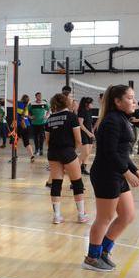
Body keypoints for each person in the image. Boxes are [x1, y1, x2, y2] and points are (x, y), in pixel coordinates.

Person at [84, 85, 139, 272]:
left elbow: (122, 152)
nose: (134, 101)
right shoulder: (111, 121)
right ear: (117, 101)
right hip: (106, 173)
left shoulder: (122, 119)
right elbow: (109, 152)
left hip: (117, 171)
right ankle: (92, 258)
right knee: (105, 218)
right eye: (130, 98)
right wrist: (127, 172)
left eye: (134, 97)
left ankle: (103, 251)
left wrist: (134, 169)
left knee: (127, 215)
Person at [46, 93, 87, 224]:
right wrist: (72, 151)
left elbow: (47, 141)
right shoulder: (71, 116)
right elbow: (78, 140)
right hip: (67, 151)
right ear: (66, 103)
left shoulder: (50, 119)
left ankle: (57, 216)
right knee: (77, 183)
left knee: (56, 184)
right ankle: (81, 215)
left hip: (52, 153)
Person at [77, 97, 95, 175]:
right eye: (91, 103)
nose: (92, 104)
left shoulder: (90, 111)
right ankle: (74, 166)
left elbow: (90, 124)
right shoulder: (81, 111)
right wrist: (88, 133)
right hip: (83, 133)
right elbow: (80, 124)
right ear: (86, 104)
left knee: (88, 153)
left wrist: (92, 132)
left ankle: (83, 168)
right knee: (85, 152)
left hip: (89, 133)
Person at [14, 94, 35, 162]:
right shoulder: (27, 106)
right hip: (27, 126)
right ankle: (32, 156)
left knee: (15, 141)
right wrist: (30, 117)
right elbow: (25, 115)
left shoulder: (19, 103)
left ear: (22, 99)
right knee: (27, 143)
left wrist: (5, 99)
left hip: (20, 126)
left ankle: (15, 156)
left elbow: (12, 101)